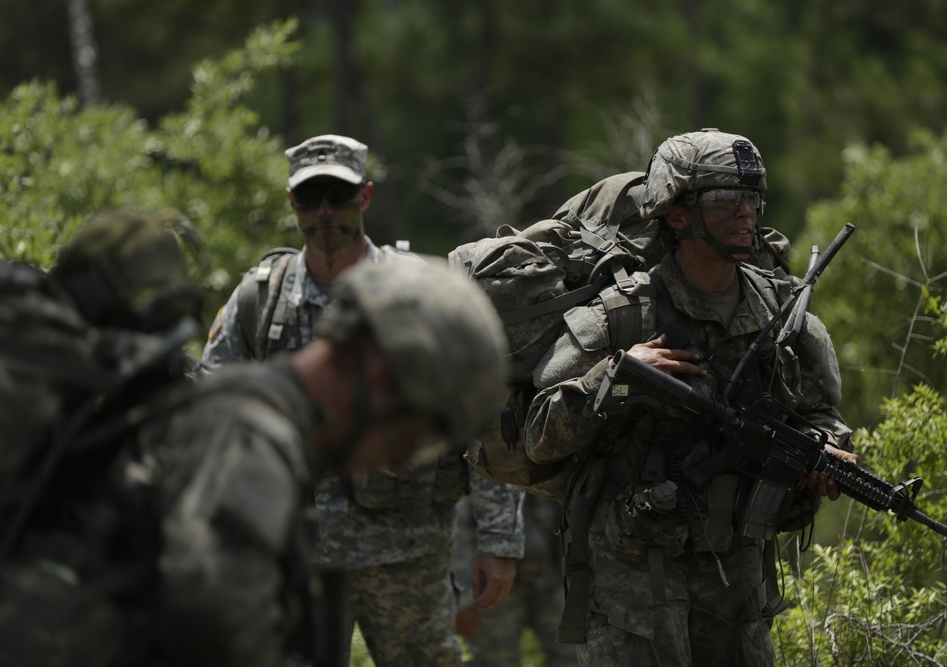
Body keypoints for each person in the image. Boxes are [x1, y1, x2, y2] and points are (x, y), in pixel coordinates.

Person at [0, 212, 510, 667]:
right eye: (416, 435)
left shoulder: (253, 421)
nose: (402, 460)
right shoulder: (255, 432)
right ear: (382, 374)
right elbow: (214, 612)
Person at [523, 129, 859, 666]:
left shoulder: (780, 311)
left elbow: (818, 411)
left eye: (752, 200)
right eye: (728, 201)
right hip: (634, 580)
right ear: (677, 215)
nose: (746, 215)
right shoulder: (624, 313)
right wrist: (619, 374)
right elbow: (540, 436)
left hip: (736, 577)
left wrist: (828, 446)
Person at [194, 134, 524, 666]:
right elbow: (213, 402)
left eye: (339, 196)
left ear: (364, 197)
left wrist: (498, 539)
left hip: (406, 547)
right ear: (291, 203)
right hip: (293, 545)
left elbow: (480, 420)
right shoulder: (261, 296)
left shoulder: (415, 298)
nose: (325, 212)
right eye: (310, 198)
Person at [452, 493, 578, 667]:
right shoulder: (483, 473)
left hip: (552, 579)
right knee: (495, 660)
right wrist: (464, 599)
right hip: (493, 587)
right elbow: (459, 528)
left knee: (574, 657)